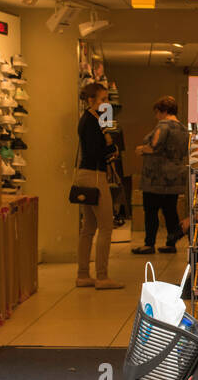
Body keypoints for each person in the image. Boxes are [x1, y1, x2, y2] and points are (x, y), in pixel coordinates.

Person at [73, 81, 124, 289]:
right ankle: (102, 276)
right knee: (105, 226)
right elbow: (97, 152)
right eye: (103, 99)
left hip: (84, 174)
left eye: (107, 100)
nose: (106, 103)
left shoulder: (87, 119)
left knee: (88, 228)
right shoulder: (93, 122)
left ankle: (83, 274)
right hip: (95, 176)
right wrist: (111, 149)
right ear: (91, 100)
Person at [132, 95, 187, 254]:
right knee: (170, 210)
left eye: (156, 112)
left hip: (156, 177)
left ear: (162, 111)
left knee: (151, 211)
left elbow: (154, 146)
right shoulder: (183, 129)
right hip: (175, 176)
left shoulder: (163, 125)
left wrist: (141, 149)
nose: (156, 116)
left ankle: (149, 244)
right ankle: (171, 243)